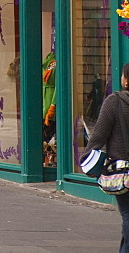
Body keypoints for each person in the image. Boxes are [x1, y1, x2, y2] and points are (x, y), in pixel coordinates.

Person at [85, 62, 129, 251]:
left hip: (122, 170)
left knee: (128, 214)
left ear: (126, 81)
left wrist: (88, 161)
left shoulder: (115, 101)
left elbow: (99, 135)